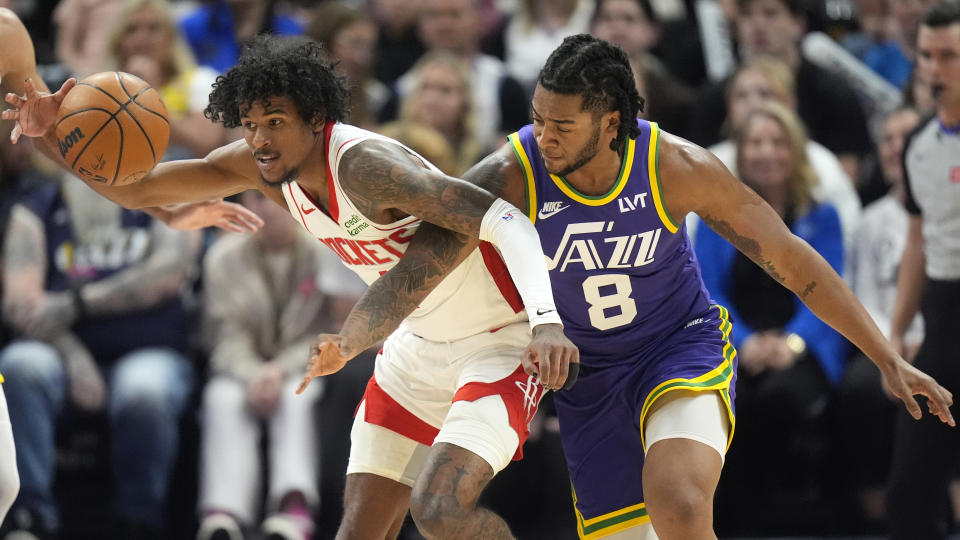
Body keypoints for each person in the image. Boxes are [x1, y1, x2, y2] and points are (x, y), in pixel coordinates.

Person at [306, 34, 956, 539]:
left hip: (678, 348)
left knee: (677, 500)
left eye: (563, 125)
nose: (544, 135)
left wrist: (886, 358)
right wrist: (356, 335)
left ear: (611, 121)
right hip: (589, 377)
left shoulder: (677, 166)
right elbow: (422, 262)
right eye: (538, 118)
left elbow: (792, 260)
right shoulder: (514, 169)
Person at [5, 34, 578, 540]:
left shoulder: (366, 166)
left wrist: (548, 322)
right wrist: (50, 132)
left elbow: (506, 220)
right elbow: (137, 189)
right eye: (250, 124)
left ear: (316, 119)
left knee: (440, 511)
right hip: (415, 347)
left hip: (497, 344)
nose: (259, 139)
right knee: (358, 529)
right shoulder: (258, 168)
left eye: (275, 122)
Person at [695, 102, 847, 531]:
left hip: (805, 348)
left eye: (778, 142)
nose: (767, 152)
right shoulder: (715, 218)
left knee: (776, 401)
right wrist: (744, 342)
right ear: (742, 155)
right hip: (736, 345)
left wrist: (791, 344)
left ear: (795, 151)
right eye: (757, 143)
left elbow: (829, 293)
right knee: (722, 400)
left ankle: (750, 522)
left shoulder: (822, 215)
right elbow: (709, 290)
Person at [196, 190, 364, 540]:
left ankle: (294, 508)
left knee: (297, 397)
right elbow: (223, 335)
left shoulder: (323, 251)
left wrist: (280, 370)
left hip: (303, 366)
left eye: (275, 199)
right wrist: (254, 374)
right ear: (243, 206)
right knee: (222, 398)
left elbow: (329, 330)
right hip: (240, 369)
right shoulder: (221, 258)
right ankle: (223, 512)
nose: (267, 209)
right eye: (255, 200)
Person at [887, 2, 960, 538]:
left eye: (949, 57)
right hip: (942, 315)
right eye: (927, 56)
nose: (935, 70)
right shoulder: (917, 145)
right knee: (909, 491)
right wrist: (895, 331)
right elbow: (916, 242)